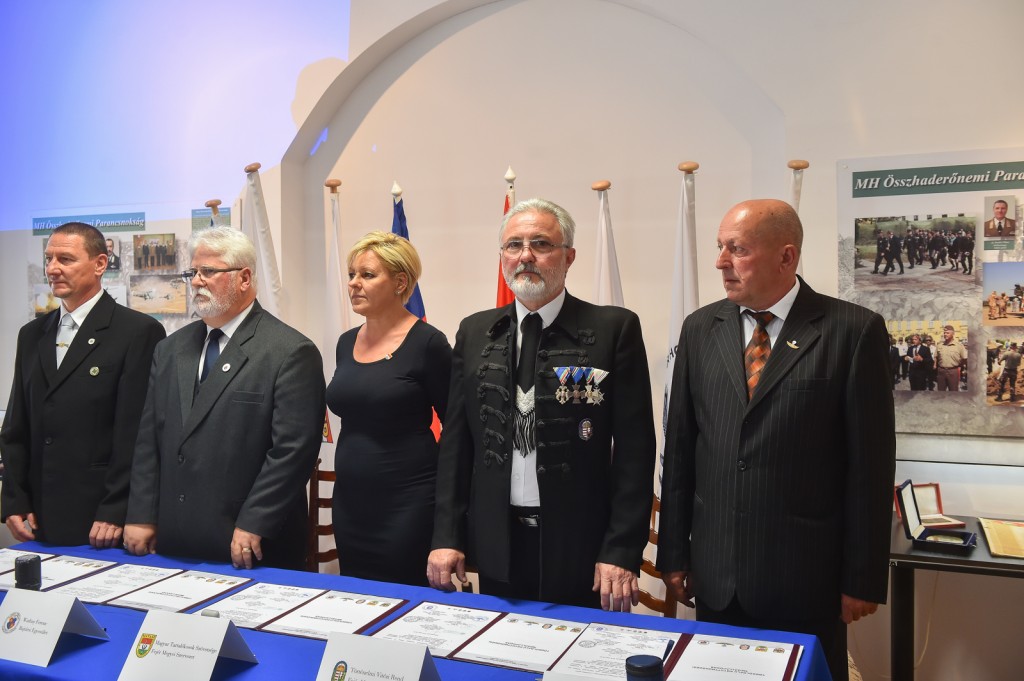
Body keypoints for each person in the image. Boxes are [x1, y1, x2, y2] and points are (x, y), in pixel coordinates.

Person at [657, 199, 896, 681]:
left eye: (737, 249)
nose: (721, 262)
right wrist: (674, 554)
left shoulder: (852, 331)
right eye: (720, 247)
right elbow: (680, 450)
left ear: (786, 257)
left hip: (806, 579)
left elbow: (870, 468)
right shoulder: (700, 328)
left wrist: (863, 577)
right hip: (717, 577)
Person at [427, 198, 655, 611]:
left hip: (581, 548)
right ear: (502, 257)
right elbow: (456, 445)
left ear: (569, 257)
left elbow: (635, 453)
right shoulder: (475, 331)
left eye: (541, 244)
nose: (525, 256)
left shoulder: (613, 329)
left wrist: (621, 549)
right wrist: (446, 536)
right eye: (513, 245)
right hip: (497, 543)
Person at [124, 226, 325, 569]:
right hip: (174, 539)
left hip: (248, 543)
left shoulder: (290, 351)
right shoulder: (170, 349)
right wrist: (142, 513)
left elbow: (292, 452)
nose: (196, 282)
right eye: (192, 272)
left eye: (208, 271)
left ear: (244, 278)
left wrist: (255, 521)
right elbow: (149, 439)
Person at [1, 222, 165, 547]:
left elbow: (135, 435)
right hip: (39, 517)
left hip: (100, 520)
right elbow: (17, 426)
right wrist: (14, 500)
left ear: (100, 264)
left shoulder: (137, 332)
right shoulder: (32, 335)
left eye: (65, 259)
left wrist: (116, 508)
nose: (52, 269)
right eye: (48, 259)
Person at [327, 232, 452, 586]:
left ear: (400, 282)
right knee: (357, 598)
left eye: (367, 275)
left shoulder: (428, 343)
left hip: (407, 505)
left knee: (404, 601)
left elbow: (456, 427)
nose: (354, 284)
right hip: (350, 503)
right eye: (352, 274)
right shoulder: (346, 342)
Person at [934, 325, 967, 391]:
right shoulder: (939, 345)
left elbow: (964, 358)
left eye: (947, 333)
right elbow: (936, 357)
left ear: (953, 333)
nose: (945, 334)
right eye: (944, 333)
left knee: (953, 390)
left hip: (953, 371)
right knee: (941, 391)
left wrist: (959, 366)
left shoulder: (959, 346)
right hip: (941, 371)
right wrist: (935, 365)